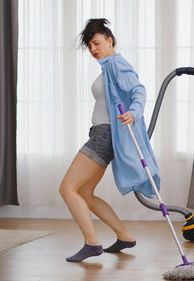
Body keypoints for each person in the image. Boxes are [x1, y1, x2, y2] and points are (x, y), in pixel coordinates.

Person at [59, 18, 161, 262]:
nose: (93, 49)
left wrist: (134, 113)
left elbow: (139, 90)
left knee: (67, 189)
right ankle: (124, 236)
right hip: (101, 134)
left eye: (96, 43)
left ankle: (92, 243)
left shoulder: (116, 63)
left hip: (104, 135)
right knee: (85, 192)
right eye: (90, 46)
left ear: (109, 40)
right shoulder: (107, 66)